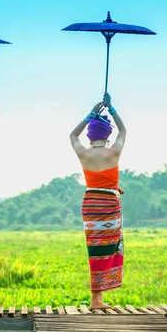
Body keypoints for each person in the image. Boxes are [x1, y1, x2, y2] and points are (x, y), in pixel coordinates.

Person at [69, 93, 126, 309]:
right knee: (109, 247)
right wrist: (111, 109)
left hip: (91, 203)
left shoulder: (84, 152)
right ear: (107, 134)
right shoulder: (114, 152)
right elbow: (124, 131)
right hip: (109, 203)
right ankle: (96, 299)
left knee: (95, 249)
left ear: (90, 136)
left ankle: (97, 298)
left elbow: (73, 135)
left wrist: (90, 114)